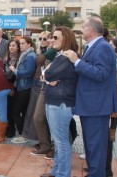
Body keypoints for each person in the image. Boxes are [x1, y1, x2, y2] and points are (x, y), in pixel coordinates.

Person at [62, 16, 117, 177]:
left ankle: (97, 173)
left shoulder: (103, 47)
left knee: (96, 144)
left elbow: (100, 73)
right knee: (91, 144)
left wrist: (77, 62)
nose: (81, 29)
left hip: (97, 105)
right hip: (91, 104)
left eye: (83, 26)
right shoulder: (93, 46)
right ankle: (94, 171)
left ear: (91, 29)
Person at [40, 26, 79, 177]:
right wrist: (46, 75)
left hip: (61, 103)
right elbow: (45, 74)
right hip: (55, 101)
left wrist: (47, 74)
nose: (51, 40)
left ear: (66, 39)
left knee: (61, 141)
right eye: (52, 37)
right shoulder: (60, 55)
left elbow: (48, 74)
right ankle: (57, 171)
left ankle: (62, 173)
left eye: (55, 37)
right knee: (58, 140)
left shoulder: (67, 56)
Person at [22, 31, 50, 141]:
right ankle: (39, 139)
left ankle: (44, 141)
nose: (42, 41)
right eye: (40, 39)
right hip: (35, 82)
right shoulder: (41, 52)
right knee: (33, 112)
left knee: (40, 114)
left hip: (43, 84)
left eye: (45, 38)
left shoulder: (50, 52)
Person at [9, 36, 36, 144]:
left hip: (24, 87)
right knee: (23, 112)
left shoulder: (29, 56)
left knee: (16, 111)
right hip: (22, 86)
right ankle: (24, 134)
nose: (21, 45)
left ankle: (22, 134)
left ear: (29, 44)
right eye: (20, 43)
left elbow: (29, 72)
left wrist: (15, 70)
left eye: (23, 43)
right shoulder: (26, 54)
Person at [107, 38, 117, 177]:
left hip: (114, 94)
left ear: (116, 47)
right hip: (115, 95)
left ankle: (107, 169)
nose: (109, 46)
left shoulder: (116, 58)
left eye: (111, 44)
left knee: (109, 134)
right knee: (110, 132)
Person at [4, 39, 21, 139]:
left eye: (13, 46)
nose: (11, 47)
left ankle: (19, 131)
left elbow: (17, 75)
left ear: (18, 47)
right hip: (6, 86)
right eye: (10, 46)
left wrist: (12, 87)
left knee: (14, 110)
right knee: (8, 109)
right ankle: (10, 129)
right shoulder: (6, 59)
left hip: (15, 87)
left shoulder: (19, 59)